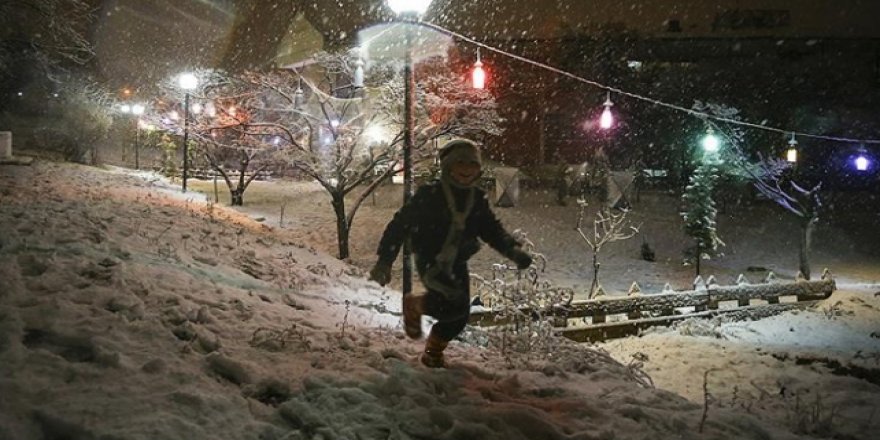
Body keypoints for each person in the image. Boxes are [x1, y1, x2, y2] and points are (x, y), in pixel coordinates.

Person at [369, 140, 533, 368]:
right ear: (447, 166)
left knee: (460, 316)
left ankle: (433, 353)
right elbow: (400, 225)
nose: (466, 169)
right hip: (430, 259)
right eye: (460, 162)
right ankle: (415, 304)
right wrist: (385, 260)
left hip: (457, 261)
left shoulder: (476, 199)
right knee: (452, 306)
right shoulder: (430, 194)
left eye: (472, 163)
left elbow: (491, 230)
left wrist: (512, 251)